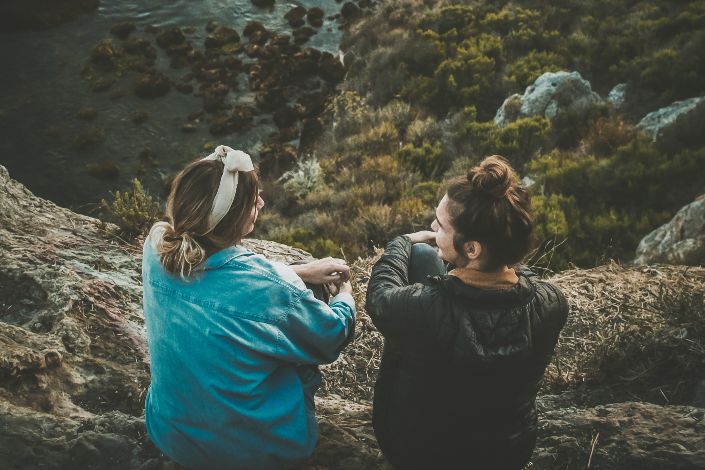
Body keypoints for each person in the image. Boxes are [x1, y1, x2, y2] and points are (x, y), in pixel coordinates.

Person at [142, 145, 356, 470]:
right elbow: (331, 337)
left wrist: (296, 272)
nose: (261, 202)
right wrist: (344, 294)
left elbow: (222, 285)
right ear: (234, 218)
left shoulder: (156, 244)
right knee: (306, 320)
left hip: (171, 434)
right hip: (254, 453)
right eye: (253, 198)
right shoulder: (270, 288)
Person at [366, 155, 568, 470]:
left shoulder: (424, 308)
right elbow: (521, 279)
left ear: (472, 249)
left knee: (418, 253)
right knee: (426, 256)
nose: (432, 227)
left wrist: (400, 242)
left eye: (440, 224)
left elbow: (379, 297)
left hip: (420, 454)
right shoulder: (551, 303)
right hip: (507, 453)